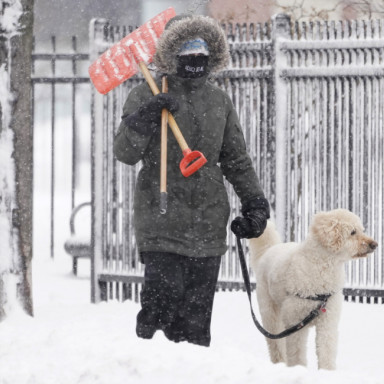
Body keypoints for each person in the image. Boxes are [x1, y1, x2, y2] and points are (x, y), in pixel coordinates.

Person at [112, 14, 269, 347]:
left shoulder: (218, 101)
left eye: (202, 48)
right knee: (158, 321)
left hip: (207, 227)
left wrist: (254, 202)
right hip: (161, 222)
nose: (196, 55)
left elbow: (236, 160)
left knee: (195, 328)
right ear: (170, 53)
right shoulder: (147, 93)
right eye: (187, 48)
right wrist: (145, 118)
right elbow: (124, 152)